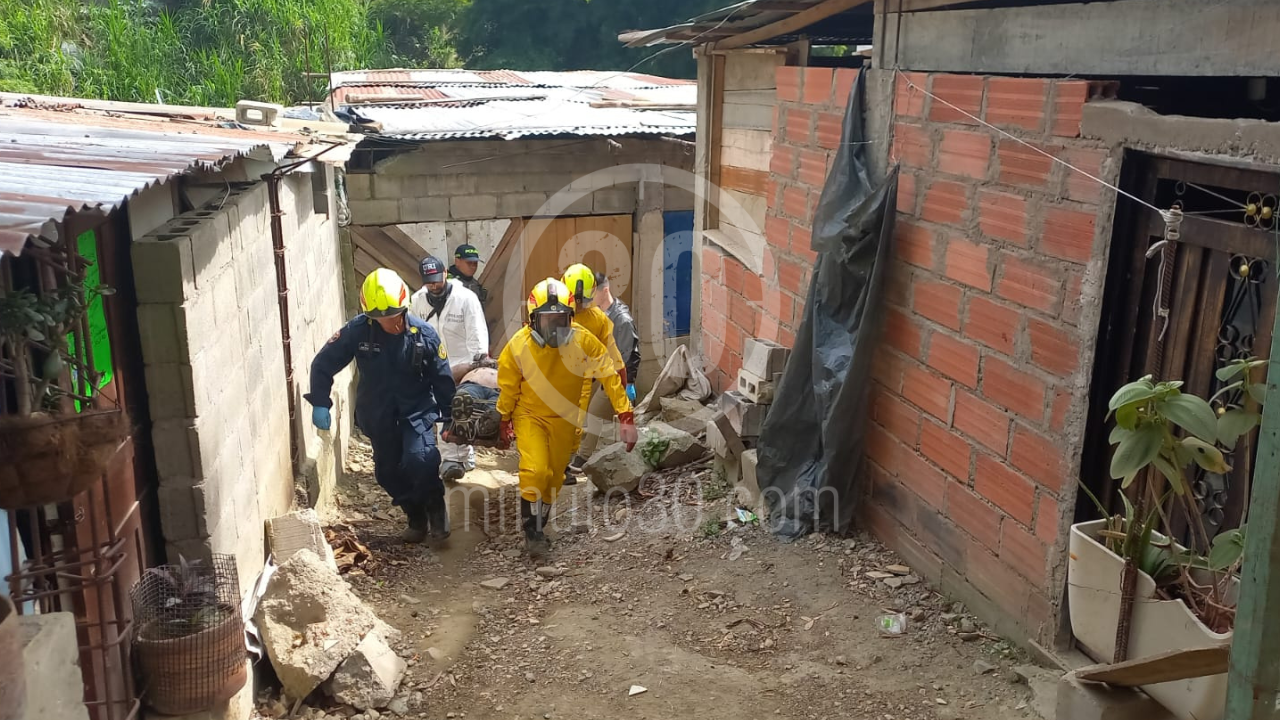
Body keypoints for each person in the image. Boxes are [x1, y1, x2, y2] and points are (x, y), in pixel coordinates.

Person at [306, 268, 456, 544]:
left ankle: (435, 507)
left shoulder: (424, 336)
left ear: (404, 308)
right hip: (378, 413)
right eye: (380, 319)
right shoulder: (357, 331)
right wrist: (320, 401)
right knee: (387, 473)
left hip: (416, 411)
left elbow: (442, 377)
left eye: (392, 316)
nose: (388, 323)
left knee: (420, 460)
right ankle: (415, 516)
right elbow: (323, 364)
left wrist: (450, 417)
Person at [496, 278, 637, 558]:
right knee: (536, 470)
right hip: (530, 415)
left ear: (570, 317)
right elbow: (509, 387)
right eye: (546, 320)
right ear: (532, 320)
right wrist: (503, 420)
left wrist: (625, 414)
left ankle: (540, 521)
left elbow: (608, 376)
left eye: (560, 319)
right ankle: (531, 532)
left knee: (555, 476)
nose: (553, 328)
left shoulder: (584, 341)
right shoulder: (517, 347)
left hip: (565, 418)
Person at [411, 255, 488, 481]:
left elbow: (477, 333)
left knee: (460, 409)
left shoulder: (466, 298)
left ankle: (459, 456)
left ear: (445, 273)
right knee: (440, 409)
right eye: (429, 281)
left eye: (437, 279)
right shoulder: (417, 301)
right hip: (434, 363)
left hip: (462, 361)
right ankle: (454, 459)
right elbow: (414, 333)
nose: (434, 285)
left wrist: (477, 365)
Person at [560, 264, 627, 484]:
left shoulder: (597, 319)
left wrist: (625, 404)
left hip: (585, 378)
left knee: (578, 422)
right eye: (575, 300)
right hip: (556, 376)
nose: (578, 305)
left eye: (582, 301)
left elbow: (615, 360)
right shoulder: (549, 312)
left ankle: (570, 463)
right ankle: (556, 464)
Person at [570, 272, 640, 472]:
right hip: (594, 373)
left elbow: (629, 354)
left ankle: (582, 459)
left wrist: (629, 382)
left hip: (615, 376)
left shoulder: (622, 320)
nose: (587, 301)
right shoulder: (592, 314)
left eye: (592, 294)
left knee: (594, 415)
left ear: (604, 290)